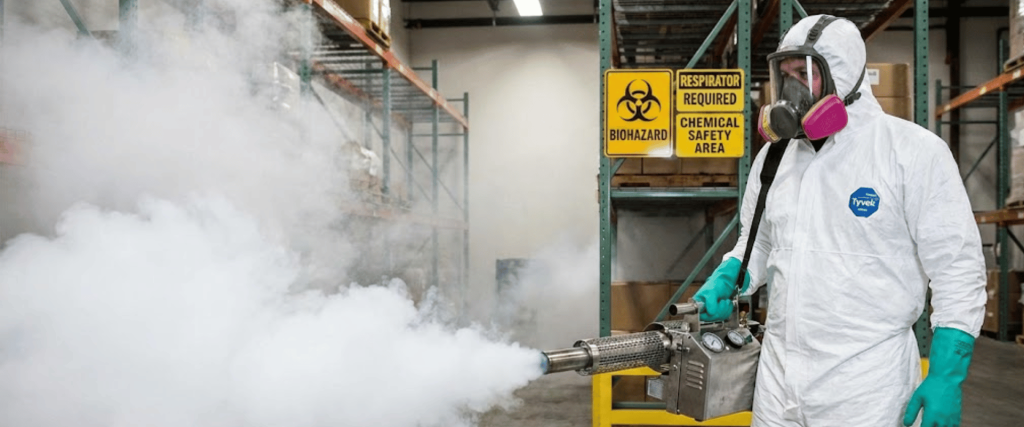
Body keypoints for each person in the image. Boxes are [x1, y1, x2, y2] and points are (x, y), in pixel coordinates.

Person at [692, 14, 987, 427]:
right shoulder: (774, 159)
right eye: (786, 74)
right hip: (778, 380)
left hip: (866, 386)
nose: (792, 89)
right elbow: (759, 241)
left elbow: (958, 270)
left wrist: (946, 376)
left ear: (843, 78)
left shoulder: (913, 153)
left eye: (805, 74)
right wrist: (730, 274)